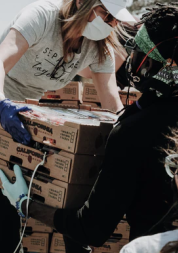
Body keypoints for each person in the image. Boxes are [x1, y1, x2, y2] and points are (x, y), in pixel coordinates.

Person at [0, 0, 136, 146]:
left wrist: (128, 132)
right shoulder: (42, 16)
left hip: (25, 110)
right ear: (81, 2)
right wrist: (1, 104)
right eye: (108, 15)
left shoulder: (100, 49)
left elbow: (112, 103)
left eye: (116, 20)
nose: (112, 24)